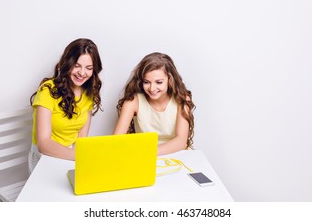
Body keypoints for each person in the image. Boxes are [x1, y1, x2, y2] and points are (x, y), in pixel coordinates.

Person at [28, 38, 103, 173]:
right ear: (67, 63)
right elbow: (43, 144)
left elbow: (81, 138)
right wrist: (78, 156)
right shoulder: (48, 90)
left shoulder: (89, 92)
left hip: (71, 155)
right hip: (44, 156)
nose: (82, 73)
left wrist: (80, 157)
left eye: (89, 68)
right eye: (77, 65)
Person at [113, 52, 195, 155]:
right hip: (143, 156)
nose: (152, 88)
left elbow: (181, 142)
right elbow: (116, 141)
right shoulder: (133, 102)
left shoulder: (182, 99)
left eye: (159, 82)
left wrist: (148, 152)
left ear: (170, 80)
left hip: (177, 156)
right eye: (146, 82)